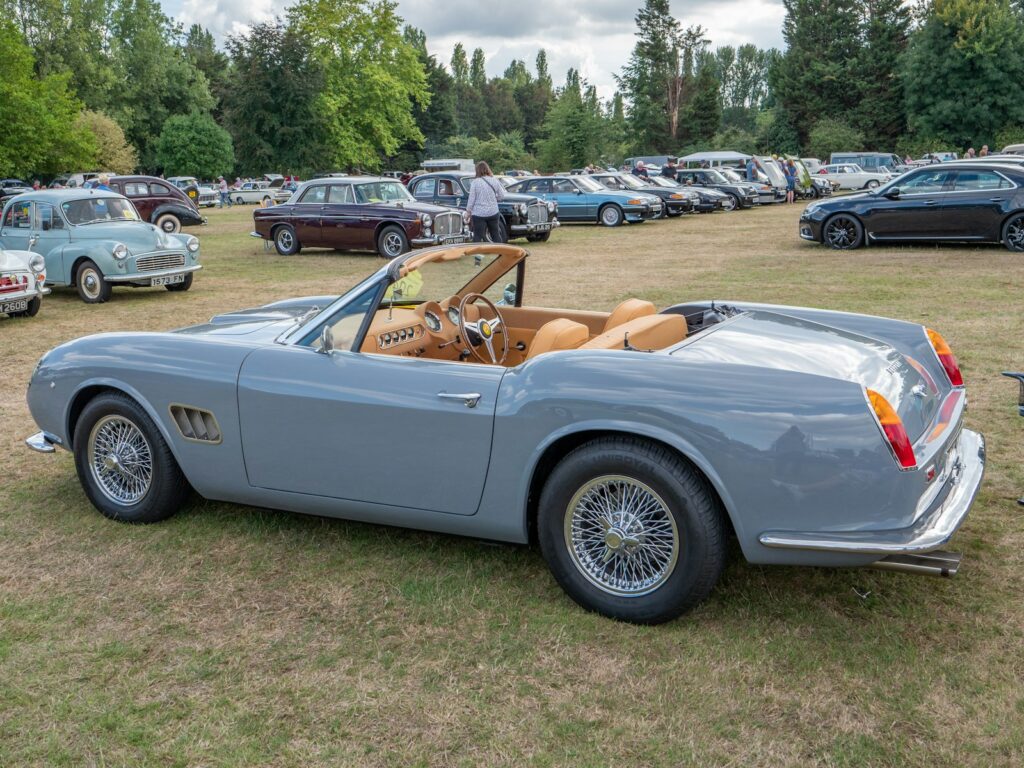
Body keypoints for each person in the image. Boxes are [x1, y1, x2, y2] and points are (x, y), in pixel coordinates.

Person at [466, 161, 505, 243]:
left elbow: (471, 199)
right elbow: (502, 196)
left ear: (478, 170)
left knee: (477, 236)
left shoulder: (475, 183)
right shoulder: (494, 180)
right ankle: (501, 252)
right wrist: (494, 199)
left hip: (479, 213)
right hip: (493, 212)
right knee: (495, 234)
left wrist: (468, 212)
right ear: (487, 169)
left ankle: (477, 254)